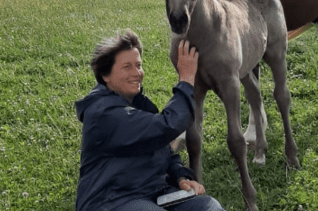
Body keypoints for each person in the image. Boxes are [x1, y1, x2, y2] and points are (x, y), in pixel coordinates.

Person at [75, 30, 225, 211]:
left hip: (154, 195)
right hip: (111, 201)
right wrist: (186, 79)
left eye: (138, 65)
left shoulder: (137, 104)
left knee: (208, 207)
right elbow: (167, 125)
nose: (137, 72)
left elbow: (160, 147)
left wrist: (180, 176)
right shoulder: (104, 114)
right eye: (127, 67)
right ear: (105, 76)